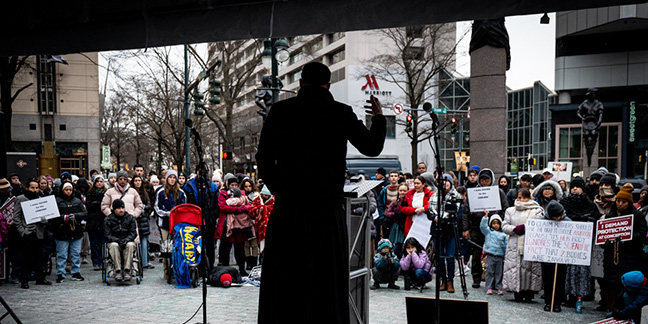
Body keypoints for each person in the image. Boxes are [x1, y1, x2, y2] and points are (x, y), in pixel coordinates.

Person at [256, 61, 385, 323]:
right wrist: (379, 118)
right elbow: (372, 147)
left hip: (289, 213)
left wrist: (282, 190)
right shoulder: (340, 112)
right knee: (326, 282)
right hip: (326, 214)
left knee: (286, 281)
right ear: (328, 85)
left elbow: (264, 159)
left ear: (301, 83)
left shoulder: (280, 111)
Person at [602, 183, 648, 311]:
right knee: (610, 283)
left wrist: (628, 238)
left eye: (623, 202)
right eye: (618, 201)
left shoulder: (637, 216)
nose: (620, 204)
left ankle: (624, 309)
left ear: (629, 202)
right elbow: (603, 234)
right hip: (611, 256)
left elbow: (642, 232)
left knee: (625, 284)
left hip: (629, 256)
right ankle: (611, 308)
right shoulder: (610, 216)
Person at [462, 168, 509, 288]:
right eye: (482, 179)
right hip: (476, 227)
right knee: (477, 254)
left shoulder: (499, 192)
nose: (484, 181)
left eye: (486, 179)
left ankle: (494, 280)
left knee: (495, 254)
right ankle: (476, 278)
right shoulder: (473, 192)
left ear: (491, 179)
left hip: (494, 229)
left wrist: (498, 221)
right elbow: (466, 212)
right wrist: (466, 228)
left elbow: (505, 209)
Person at [560, 177, 598, 306]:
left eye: (577, 186)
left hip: (583, 243)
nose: (574, 188)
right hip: (568, 241)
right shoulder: (564, 202)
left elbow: (595, 218)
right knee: (568, 269)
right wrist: (580, 218)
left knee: (582, 270)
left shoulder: (590, 204)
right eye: (573, 187)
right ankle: (568, 295)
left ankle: (580, 294)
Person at [502, 187, 543, 302]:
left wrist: (527, 227)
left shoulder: (537, 210)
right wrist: (515, 229)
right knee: (515, 268)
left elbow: (540, 225)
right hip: (515, 243)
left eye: (524, 197)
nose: (522, 200)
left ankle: (529, 292)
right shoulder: (510, 211)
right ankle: (517, 292)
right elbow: (504, 226)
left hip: (530, 244)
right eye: (519, 197)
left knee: (529, 268)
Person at [13, 178, 52, 288]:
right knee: (26, 258)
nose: (34, 190)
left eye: (36, 188)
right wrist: (22, 231)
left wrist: (45, 220)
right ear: (27, 188)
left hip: (39, 231)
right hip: (27, 232)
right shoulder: (21, 199)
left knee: (40, 256)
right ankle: (24, 280)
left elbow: (45, 214)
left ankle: (40, 278)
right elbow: (16, 217)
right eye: (32, 187)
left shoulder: (40, 199)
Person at [429, 173, 461, 293]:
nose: (445, 183)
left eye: (447, 181)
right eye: (443, 181)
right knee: (439, 257)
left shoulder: (456, 195)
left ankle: (450, 281)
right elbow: (429, 212)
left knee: (450, 257)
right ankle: (442, 280)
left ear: (451, 182)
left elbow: (455, 212)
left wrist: (441, 216)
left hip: (450, 231)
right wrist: (434, 217)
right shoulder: (434, 196)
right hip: (437, 230)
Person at [51, 182, 88, 283]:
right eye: (66, 190)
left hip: (75, 230)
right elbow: (52, 216)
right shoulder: (57, 201)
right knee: (62, 254)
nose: (68, 192)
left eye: (70, 190)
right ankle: (60, 273)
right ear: (62, 190)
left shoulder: (77, 201)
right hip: (61, 231)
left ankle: (75, 272)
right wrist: (63, 217)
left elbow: (85, 213)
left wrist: (75, 215)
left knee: (76, 253)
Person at [215, 177, 251, 276]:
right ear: (228, 185)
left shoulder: (242, 194)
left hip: (239, 226)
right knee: (225, 249)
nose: (234, 187)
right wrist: (238, 209)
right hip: (227, 225)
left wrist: (236, 208)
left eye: (235, 185)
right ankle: (225, 269)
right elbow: (223, 207)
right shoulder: (223, 194)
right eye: (232, 185)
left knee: (240, 249)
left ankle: (242, 269)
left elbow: (249, 206)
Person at [540, 200, 571, 312]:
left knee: (559, 280)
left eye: (560, 215)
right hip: (546, 257)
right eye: (556, 216)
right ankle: (548, 302)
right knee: (547, 280)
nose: (559, 218)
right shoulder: (541, 222)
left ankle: (557, 303)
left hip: (561, 257)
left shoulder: (567, 221)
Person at [154, 170, 186, 277]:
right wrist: (168, 214)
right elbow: (157, 208)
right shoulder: (160, 192)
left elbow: (184, 207)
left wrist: (176, 214)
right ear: (167, 179)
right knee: (166, 247)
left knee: (177, 246)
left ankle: (176, 268)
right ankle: (166, 269)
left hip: (177, 224)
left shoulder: (181, 193)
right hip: (165, 224)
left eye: (174, 177)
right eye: (170, 177)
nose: (172, 179)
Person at [104, 199, 137, 281]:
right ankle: (117, 270)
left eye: (122, 208)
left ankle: (127, 270)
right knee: (114, 245)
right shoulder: (108, 220)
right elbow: (107, 235)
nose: (121, 210)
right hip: (114, 241)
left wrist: (126, 240)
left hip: (127, 240)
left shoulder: (130, 218)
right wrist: (117, 240)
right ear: (114, 209)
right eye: (118, 208)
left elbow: (133, 233)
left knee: (130, 245)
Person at [480, 213, 507, 295]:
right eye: (494, 223)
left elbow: (506, 246)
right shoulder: (488, 232)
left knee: (499, 273)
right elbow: (483, 227)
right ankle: (489, 287)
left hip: (499, 256)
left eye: (498, 223)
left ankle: (499, 287)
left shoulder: (504, 235)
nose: (496, 225)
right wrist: (485, 217)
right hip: (490, 255)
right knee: (489, 272)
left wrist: (506, 256)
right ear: (491, 224)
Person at [132, 175, 154, 269]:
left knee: (144, 240)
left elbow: (149, 205)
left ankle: (145, 262)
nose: (138, 182)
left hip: (144, 218)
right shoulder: (130, 192)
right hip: (134, 218)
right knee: (135, 240)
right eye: (136, 180)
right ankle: (135, 261)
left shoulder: (145, 193)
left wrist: (144, 209)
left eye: (139, 181)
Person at [86, 174, 107, 270]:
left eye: (101, 181)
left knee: (102, 243)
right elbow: (88, 205)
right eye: (97, 181)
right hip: (93, 222)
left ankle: (102, 261)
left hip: (103, 221)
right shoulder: (90, 193)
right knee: (94, 243)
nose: (99, 183)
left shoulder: (106, 193)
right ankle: (95, 262)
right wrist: (97, 203)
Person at [384, 183, 409, 259]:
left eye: (404, 191)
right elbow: (387, 213)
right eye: (401, 190)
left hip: (405, 225)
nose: (402, 192)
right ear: (398, 191)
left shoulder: (410, 201)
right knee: (396, 246)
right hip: (396, 226)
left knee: (400, 246)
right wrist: (395, 214)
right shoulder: (395, 202)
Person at [378, 170, 402, 242]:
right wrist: (382, 216)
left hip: (398, 216)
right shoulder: (384, 190)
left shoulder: (401, 189)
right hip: (387, 216)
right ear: (389, 178)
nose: (393, 178)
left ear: (398, 178)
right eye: (391, 176)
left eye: (395, 176)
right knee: (386, 237)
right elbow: (380, 204)